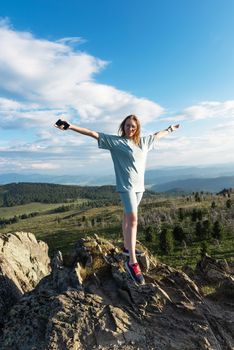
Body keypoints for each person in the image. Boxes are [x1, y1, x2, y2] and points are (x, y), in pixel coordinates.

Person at [55, 115, 180, 285]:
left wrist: (170, 129)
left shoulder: (143, 143)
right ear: (123, 127)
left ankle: (127, 248)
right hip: (126, 187)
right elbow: (93, 133)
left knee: (127, 217)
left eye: (133, 127)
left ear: (137, 128)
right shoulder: (116, 142)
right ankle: (132, 262)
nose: (130, 129)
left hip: (139, 188)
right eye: (128, 126)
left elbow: (158, 135)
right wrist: (70, 126)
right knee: (133, 219)